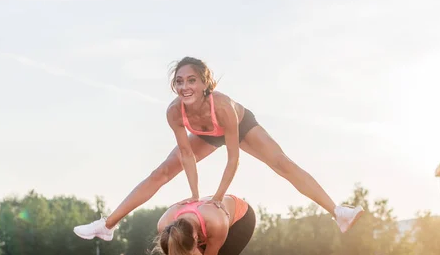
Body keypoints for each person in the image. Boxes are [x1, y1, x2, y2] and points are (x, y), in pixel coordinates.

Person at [74, 57, 363, 241]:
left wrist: (219, 197)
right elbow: (187, 156)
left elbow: (233, 157)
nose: (184, 86)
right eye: (179, 81)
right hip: (208, 134)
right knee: (161, 172)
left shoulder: (222, 105)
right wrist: (197, 195)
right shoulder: (174, 112)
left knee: (280, 163)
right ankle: (107, 225)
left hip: (238, 125)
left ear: (204, 83)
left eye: (191, 80)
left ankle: (338, 211)